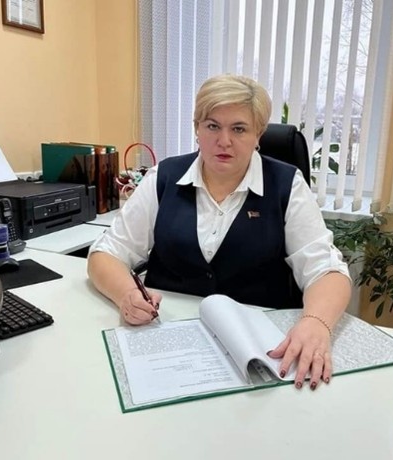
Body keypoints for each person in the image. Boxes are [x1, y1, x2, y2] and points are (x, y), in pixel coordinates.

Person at [87, 74, 351, 390]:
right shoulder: (165, 177)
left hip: (261, 350)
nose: (224, 141)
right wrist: (126, 295)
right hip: (169, 344)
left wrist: (316, 322)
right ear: (197, 128)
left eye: (238, 129)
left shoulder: (286, 185)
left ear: (258, 134)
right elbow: (106, 254)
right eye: (212, 126)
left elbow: (326, 271)